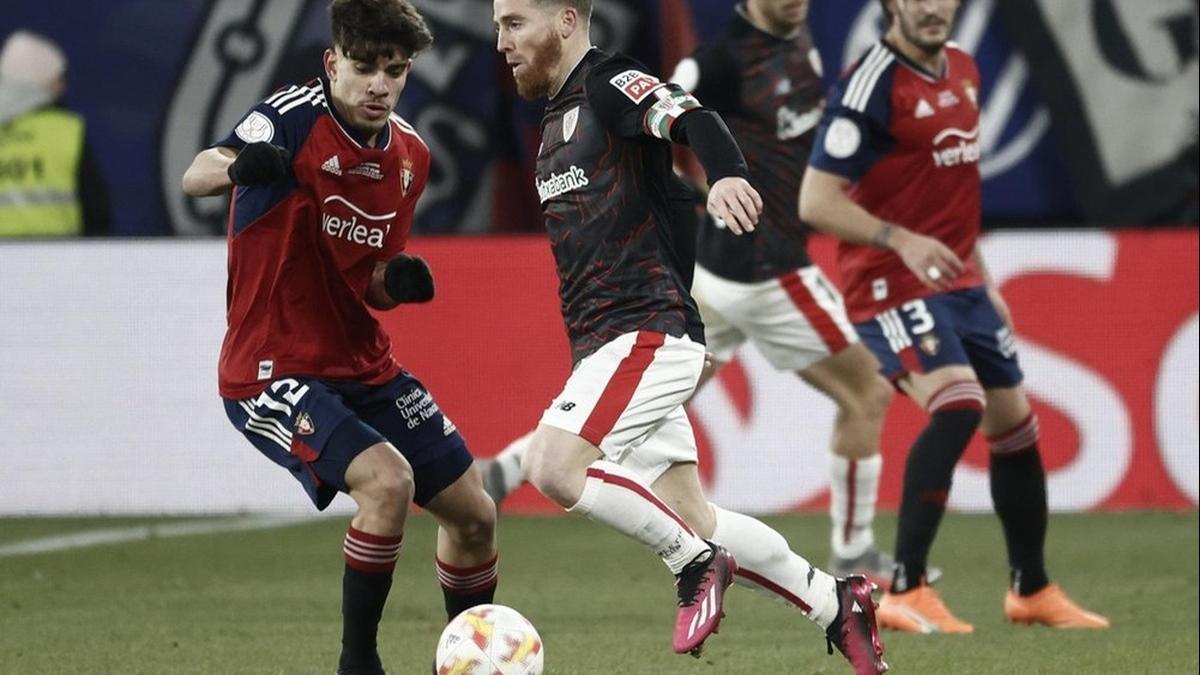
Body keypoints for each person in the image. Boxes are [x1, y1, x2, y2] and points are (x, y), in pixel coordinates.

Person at [480, 0, 942, 592]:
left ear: (566, 21)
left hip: (682, 301)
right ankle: (842, 579)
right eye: (500, 26)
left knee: (588, 457)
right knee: (709, 501)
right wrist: (705, 185)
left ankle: (772, 575)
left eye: (512, 24)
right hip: (728, 278)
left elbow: (684, 120)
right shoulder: (699, 67)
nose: (501, 42)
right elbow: (674, 132)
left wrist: (717, 177)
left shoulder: (620, 80)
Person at [182, 2, 499, 673]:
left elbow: (368, 281)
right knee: (387, 483)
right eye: (364, 68)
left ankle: (476, 658)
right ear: (333, 63)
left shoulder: (410, 156)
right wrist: (243, 167)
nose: (380, 85)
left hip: (363, 364)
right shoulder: (293, 116)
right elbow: (198, 172)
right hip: (271, 367)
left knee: (474, 513)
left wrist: (397, 280)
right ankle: (359, 662)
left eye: (395, 70)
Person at [800, 0, 1109, 634]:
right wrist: (898, 239)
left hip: (958, 280)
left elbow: (950, 195)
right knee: (959, 402)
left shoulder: (964, 69)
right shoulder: (871, 83)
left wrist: (984, 281)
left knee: (1015, 427)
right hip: (886, 281)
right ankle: (906, 588)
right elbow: (816, 200)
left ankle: (1032, 589)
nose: (934, 7)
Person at [0, 29, 110, 237]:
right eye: (57, 79)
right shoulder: (67, 130)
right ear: (40, 83)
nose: (62, 86)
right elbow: (97, 210)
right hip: (58, 260)